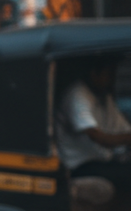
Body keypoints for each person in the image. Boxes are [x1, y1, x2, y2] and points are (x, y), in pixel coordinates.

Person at [56, 56, 131, 194]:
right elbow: (99, 138)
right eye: (109, 74)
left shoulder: (104, 96)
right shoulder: (78, 95)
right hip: (80, 166)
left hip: (101, 161)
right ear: (94, 74)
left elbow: (123, 129)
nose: (112, 79)